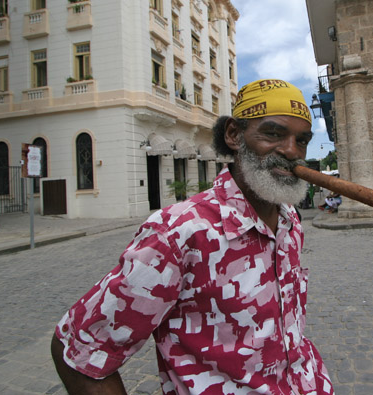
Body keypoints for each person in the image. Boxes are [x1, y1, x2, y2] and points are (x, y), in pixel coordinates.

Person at [51, 79, 334, 395]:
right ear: (234, 135)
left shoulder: (290, 221)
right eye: (273, 134)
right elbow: (78, 351)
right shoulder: (178, 234)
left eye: (302, 140)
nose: (291, 151)